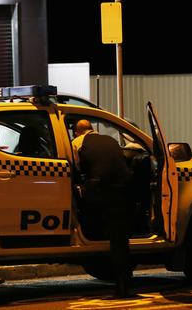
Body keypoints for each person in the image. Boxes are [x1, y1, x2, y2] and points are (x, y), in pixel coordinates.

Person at [71, 119, 135, 298]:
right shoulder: (111, 140)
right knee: (120, 239)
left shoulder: (77, 143)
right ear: (92, 129)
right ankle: (125, 279)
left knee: (112, 233)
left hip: (103, 191)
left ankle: (121, 285)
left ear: (77, 132)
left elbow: (76, 169)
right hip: (123, 190)